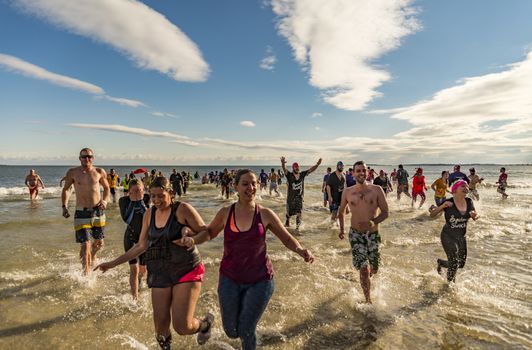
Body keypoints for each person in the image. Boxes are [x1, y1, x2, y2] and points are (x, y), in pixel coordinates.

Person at [186, 169, 314, 350]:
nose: (251, 187)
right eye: (245, 184)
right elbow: (208, 232)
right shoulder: (226, 213)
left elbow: (286, 238)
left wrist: (301, 250)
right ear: (235, 187)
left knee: (246, 329)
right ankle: (207, 324)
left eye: (254, 183)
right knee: (231, 331)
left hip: (260, 280)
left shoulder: (265, 214)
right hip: (230, 278)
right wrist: (192, 238)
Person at [94, 177, 214, 348]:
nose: (156, 200)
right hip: (160, 271)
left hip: (186, 268)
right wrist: (112, 263)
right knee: (160, 331)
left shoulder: (182, 209)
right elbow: (141, 246)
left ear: (171, 194)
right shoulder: (149, 214)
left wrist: (193, 240)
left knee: (181, 326)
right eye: (153, 196)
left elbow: (206, 232)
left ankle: (205, 324)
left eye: (161, 196)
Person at [338, 161, 389, 304]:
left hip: (373, 235)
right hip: (355, 234)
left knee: (374, 268)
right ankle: (368, 301)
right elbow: (341, 212)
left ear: (367, 173)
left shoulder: (377, 190)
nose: (361, 173)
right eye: (358, 171)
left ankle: (368, 277)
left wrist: (372, 222)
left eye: (363, 170)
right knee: (364, 268)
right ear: (353, 173)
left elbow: (386, 212)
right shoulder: (348, 192)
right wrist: (341, 229)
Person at [61, 148, 110, 275]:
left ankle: (92, 256)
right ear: (79, 158)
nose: (86, 159)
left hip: (98, 211)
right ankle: (86, 275)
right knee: (85, 245)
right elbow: (66, 189)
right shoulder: (72, 172)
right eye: (84, 157)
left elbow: (106, 188)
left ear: (93, 158)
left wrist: (105, 201)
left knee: (99, 243)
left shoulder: (99, 171)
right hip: (81, 212)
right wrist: (64, 206)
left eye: (89, 156)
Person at [430, 180, 479, 283]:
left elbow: (476, 214)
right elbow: (432, 214)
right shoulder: (449, 202)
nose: (466, 188)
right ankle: (450, 286)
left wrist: (475, 216)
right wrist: (443, 206)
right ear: (455, 190)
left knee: (460, 264)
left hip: (461, 237)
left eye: (466, 186)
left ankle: (441, 263)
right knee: (454, 262)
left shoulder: (469, 202)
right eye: (463, 186)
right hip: (448, 236)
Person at [118, 179, 150, 299]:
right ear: (129, 191)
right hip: (130, 237)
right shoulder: (123, 201)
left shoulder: (147, 198)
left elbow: (150, 218)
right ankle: (135, 298)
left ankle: (139, 282)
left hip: (144, 239)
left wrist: (141, 202)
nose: (138, 193)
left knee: (143, 269)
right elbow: (127, 219)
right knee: (134, 269)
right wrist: (133, 202)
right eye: (134, 191)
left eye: (140, 190)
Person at [281, 156, 322, 232]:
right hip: (291, 199)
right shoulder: (289, 175)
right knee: (289, 214)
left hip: (299, 198)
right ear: (293, 168)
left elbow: (311, 170)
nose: (297, 168)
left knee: (299, 213)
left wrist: (317, 164)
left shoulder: (302, 175)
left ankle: (297, 229)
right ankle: (287, 220)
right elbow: (284, 170)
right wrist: (283, 163)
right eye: (295, 167)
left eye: (298, 167)